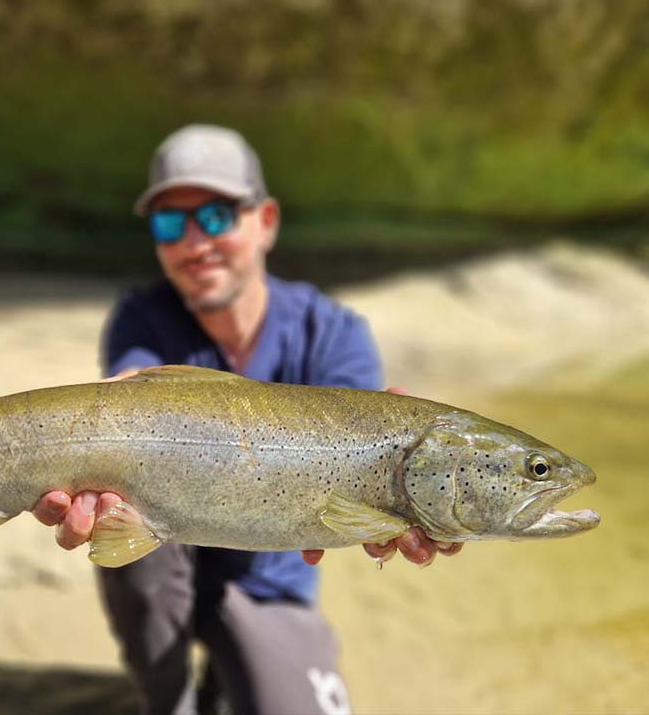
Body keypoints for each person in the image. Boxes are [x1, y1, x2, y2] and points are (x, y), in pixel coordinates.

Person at [31, 125, 462, 714]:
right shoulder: (141, 318)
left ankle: (231, 674)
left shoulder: (334, 333)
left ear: (266, 221)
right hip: (161, 549)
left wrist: (398, 511)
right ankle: (169, 699)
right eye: (167, 223)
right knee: (128, 531)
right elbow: (130, 392)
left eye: (214, 217)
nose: (193, 241)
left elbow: (357, 454)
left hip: (270, 576)